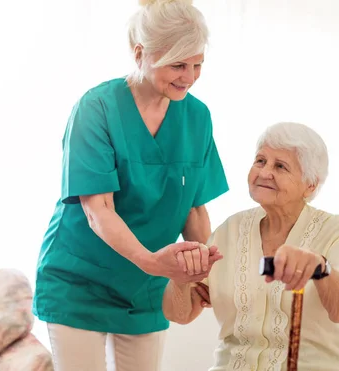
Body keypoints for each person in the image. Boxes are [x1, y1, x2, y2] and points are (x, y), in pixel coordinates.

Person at [32, 0, 228, 369]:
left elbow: (193, 208)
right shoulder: (96, 109)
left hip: (146, 288)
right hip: (80, 282)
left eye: (197, 64)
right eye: (178, 65)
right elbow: (97, 210)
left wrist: (207, 269)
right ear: (141, 54)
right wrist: (151, 262)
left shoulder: (197, 117)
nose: (189, 76)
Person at [163, 122, 339, 371]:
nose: (265, 172)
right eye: (260, 161)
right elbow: (180, 315)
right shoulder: (230, 230)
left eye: (280, 166)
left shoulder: (336, 230)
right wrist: (180, 279)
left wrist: (319, 267)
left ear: (310, 184)